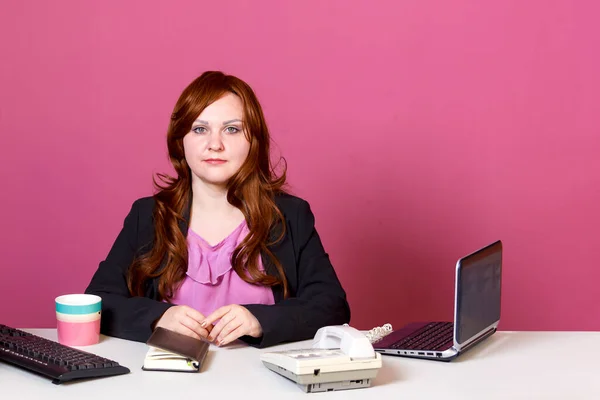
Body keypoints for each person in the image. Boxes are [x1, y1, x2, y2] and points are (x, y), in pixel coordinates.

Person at [85, 71, 350, 348]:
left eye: (232, 129)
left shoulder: (290, 215)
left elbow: (332, 306)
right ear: (180, 141)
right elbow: (99, 302)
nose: (215, 144)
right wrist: (158, 317)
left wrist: (259, 320)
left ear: (253, 140)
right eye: (200, 129)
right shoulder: (148, 215)